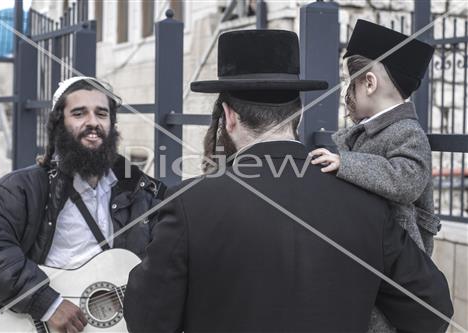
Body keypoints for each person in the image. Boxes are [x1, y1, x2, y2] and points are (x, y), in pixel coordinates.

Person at [123, 30, 453, 332]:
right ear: (297, 115)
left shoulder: (188, 204)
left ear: (229, 117)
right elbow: (433, 311)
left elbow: (147, 320)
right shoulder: (369, 204)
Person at [0, 76, 165, 333]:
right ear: (59, 125)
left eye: (101, 113)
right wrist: (45, 303)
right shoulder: (24, 187)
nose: (92, 122)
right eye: (79, 113)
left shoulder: (143, 192)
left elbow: (174, 256)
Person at [309, 20, 439, 332]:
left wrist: (346, 164)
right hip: (367, 253)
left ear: (369, 83)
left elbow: (406, 180)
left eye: (348, 84)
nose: (346, 94)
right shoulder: (370, 130)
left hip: (396, 263)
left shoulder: (407, 132)